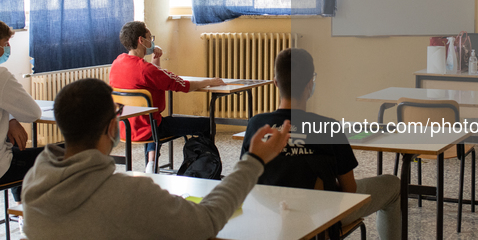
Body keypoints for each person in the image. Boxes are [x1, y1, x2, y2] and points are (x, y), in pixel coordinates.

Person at [21, 78, 290, 239]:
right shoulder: (129, 193)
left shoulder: (36, 180)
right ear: (111, 127)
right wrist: (253, 160)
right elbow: (206, 222)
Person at [241, 48, 401, 240]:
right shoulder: (328, 126)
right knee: (393, 184)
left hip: (270, 216)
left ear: (275, 82)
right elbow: (349, 190)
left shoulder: (257, 125)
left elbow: (246, 178)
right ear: (310, 84)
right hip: (323, 216)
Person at [110, 21, 225, 173]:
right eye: (150, 38)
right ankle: (203, 169)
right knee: (206, 124)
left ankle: (151, 162)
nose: (152, 41)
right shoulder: (146, 69)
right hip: (151, 128)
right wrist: (211, 81)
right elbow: (182, 85)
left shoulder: (117, 63)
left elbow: (153, 79)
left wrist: (155, 57)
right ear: (141, 40)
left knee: (151, 117)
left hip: (126, 128)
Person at [0, 21, 43, 203]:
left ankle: (19, 206)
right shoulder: (2, 76)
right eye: (5, 44)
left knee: (16, 144)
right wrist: (12, 118)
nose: (7, 49)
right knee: (65, 155)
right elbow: (33, 113)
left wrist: (10, 119)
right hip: (2, 168)